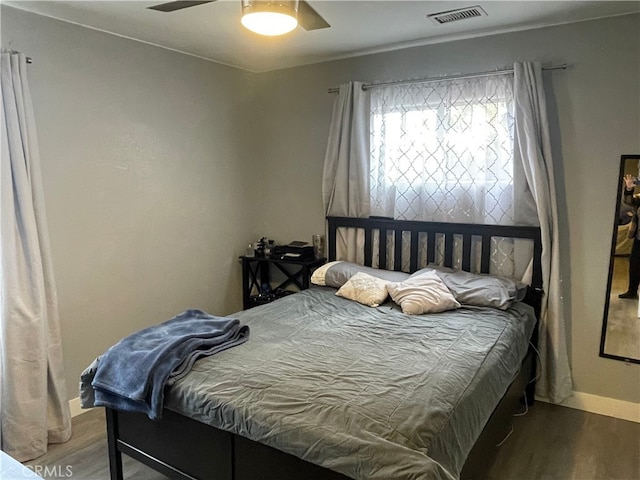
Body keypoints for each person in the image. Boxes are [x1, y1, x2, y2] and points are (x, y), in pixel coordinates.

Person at [618, 174, 640, 299]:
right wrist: (629, 188)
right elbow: (628, 201)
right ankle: (632, 291)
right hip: (639, 238)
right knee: (635, 264)